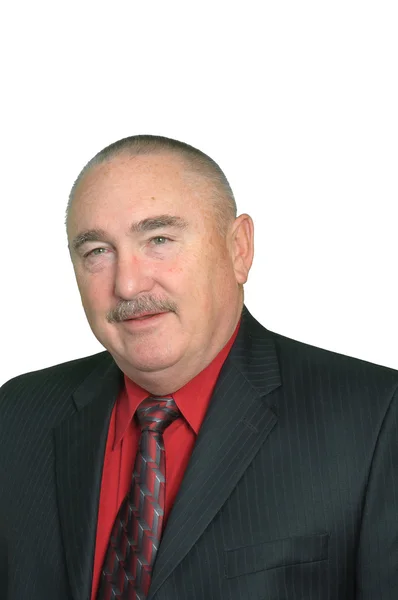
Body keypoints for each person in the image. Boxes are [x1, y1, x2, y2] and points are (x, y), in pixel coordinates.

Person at [0, 135, 397, 600]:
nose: (127, 284)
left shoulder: (375, 418)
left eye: (159, 239)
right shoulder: (18, 412)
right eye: (97, 252)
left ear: (238, 248)